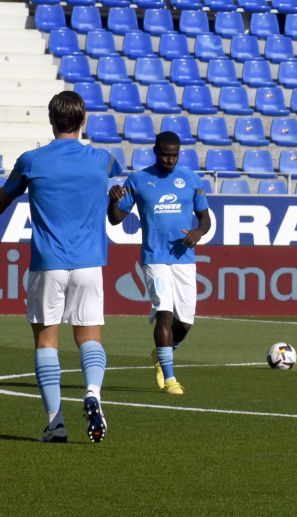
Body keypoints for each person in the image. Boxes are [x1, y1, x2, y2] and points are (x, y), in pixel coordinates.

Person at [0, 91, 123, 443]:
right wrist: (114, 203)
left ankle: (56, 422)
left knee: (46, 341)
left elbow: (2, 200)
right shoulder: (104, 161)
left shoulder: (31, 161)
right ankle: (93, 394)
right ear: (83, 121)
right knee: (89, 336)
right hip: (89, 263)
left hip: (48, 263)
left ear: (51, 121)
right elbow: (117, 216)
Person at [108, 132, 210, 395]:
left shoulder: (190, 180)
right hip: (154, 256)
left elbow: (205, 218)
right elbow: (115, 219)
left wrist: (198, 233)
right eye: (166, 154)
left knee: (185, 322)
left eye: (175, 155)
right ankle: (170, 378)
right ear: (155, 151)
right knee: (164, 311)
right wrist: (112, 201)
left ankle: (160, 354)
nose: (170, 159)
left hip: (184, 258)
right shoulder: (139, 179)